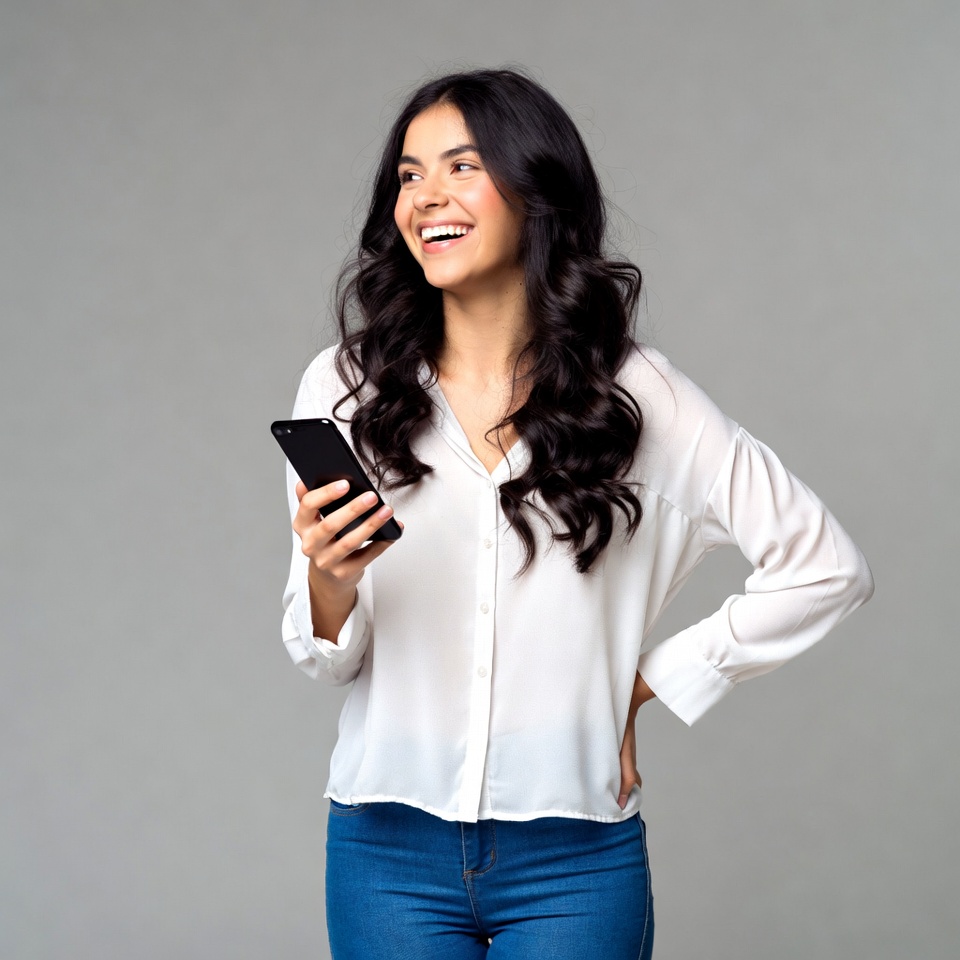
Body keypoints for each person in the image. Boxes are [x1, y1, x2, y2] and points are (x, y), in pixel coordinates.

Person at [280, 68, 874, 960]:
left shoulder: (637, 398)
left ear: (536, 190)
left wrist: (651, 681)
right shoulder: (346, 386)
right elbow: (326, 658)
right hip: (383, 850)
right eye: (408, 175)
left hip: (573, 861)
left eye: (462, 167)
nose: (426, 197)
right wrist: (329, 577)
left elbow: (827, 567)